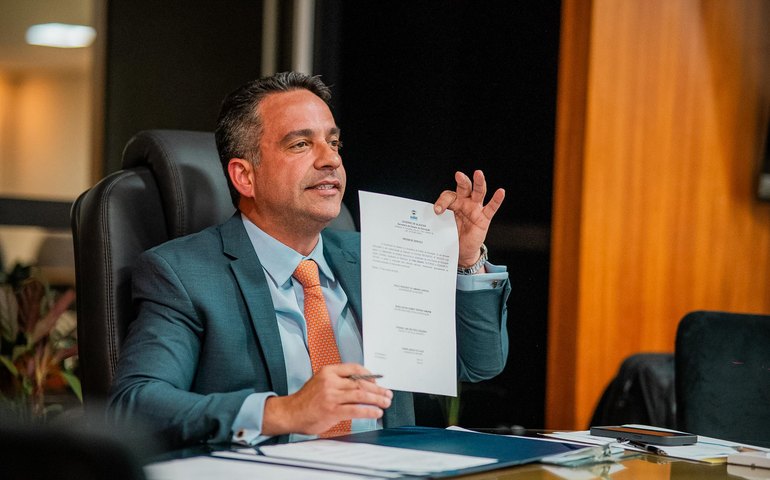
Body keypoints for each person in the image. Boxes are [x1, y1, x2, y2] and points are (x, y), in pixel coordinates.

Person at [109, 72, 511, 447]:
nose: (330, 159)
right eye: (301, 144)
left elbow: (478, 364)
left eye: (333, 143)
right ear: (244, 176)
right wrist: (284, 411)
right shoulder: (182, 273)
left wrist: (466, 260)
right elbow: (136, 403)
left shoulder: (374, 255)